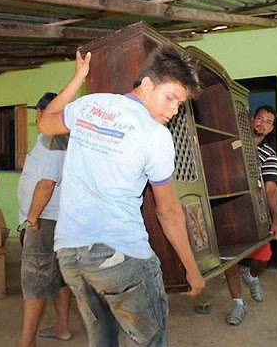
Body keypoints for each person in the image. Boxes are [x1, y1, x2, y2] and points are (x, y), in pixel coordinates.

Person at [38, 46, 205, 346]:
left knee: (102, 339)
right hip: (120, 256)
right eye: (170, 98)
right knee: (149, 339)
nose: (173, 111)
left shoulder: (90, 106)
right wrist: (192, 269)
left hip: (70, 255)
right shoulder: (155, 135)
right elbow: (168, 212)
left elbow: (46, 121)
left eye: (180, 104)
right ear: (147, 84)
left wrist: (78, 78)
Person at [18, 92, 72, 347]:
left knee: (34, 280)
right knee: (59, 277)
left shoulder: (53, 139)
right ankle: (61, 327)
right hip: (58, 220)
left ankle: (26, 342)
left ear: (43, 113)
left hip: (45, 220)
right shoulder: (59, 138)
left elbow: (47, 183)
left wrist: (31, 219)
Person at [224, 105, 277, 326]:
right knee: (229, 257)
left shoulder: (269, 153)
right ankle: (238, 302)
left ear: (271, 128)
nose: (262, 124)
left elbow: (271, 188)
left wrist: (276, 220)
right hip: (227, 209)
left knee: (263, 258)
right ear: (251, 119)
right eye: (260, 118)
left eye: (268, 122)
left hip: (255, 213)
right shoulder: (231, 142)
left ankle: (252, 276)